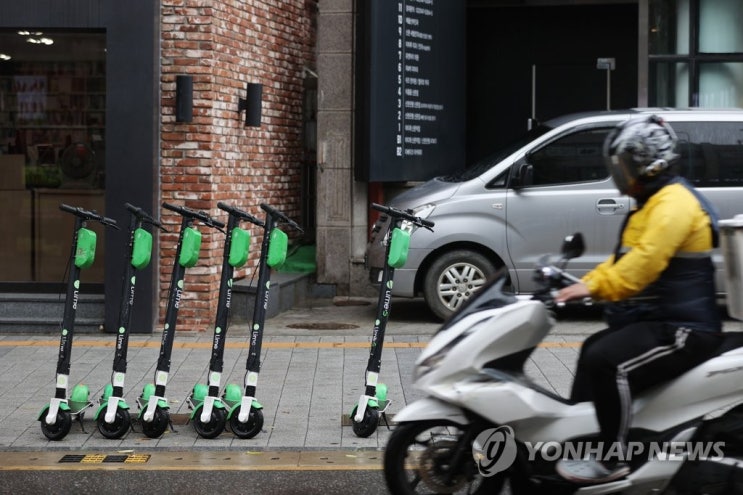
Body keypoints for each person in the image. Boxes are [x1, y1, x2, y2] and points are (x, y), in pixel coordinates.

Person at [554, 115, 724, 485]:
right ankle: (576, 441)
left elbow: (643, 265)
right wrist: (580, 284)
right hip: (661, 318)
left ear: (650, 164)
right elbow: (623, 261)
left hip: (685, 328)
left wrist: (594, 288)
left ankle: (612, 459)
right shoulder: (652, 202)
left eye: (625, 166)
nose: (620, 174)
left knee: (608, 362)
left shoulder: (674, 203)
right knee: (592, 349)